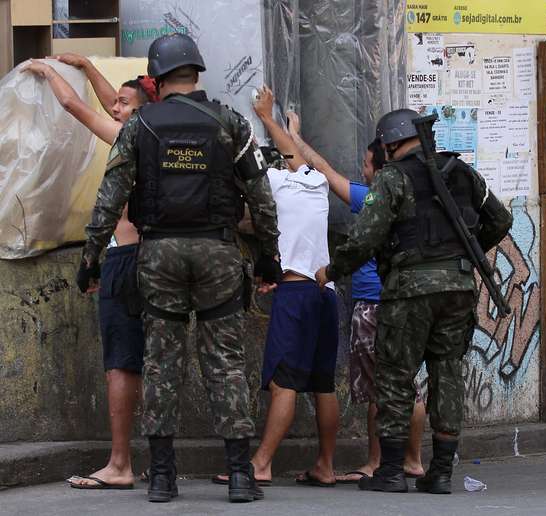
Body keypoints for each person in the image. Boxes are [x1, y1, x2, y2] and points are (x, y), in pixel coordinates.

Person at [76, 33, 281, 503]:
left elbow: (110, 198)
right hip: (218, 253)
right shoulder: (229, 122)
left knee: (162, 361)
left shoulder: (140, 126)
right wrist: (270, 256)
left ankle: (163, 477)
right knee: (225, 363)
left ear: (157, 76)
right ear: (196, 73)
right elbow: (262, 199)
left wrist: (91, 261)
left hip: (159, 255)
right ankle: (240, 475)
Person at [315, 108, 513, 494]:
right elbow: (500, 220)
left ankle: (390, 471)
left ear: (389, 144)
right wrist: (464, 253)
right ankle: (439, 473)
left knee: (395, 375)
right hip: (458, 287)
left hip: (410, 290)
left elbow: (363, 239)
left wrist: (331, 271)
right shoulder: (461, 172)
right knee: (447, 373)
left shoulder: (393, 178)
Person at [23, 54, 154, 490]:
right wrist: (86, 65)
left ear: (138, 113)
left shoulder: (128, 138)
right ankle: (159, 461)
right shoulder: (157, 137)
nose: (114, 109)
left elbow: (77, 109)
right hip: (156, 261)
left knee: (121, 364)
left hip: (125, 261)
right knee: (151, 361)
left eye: (123, 105)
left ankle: (120, 464)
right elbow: (107, 104)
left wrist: (46, 72)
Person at [285, 111, 426, 483]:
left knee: (378, 391)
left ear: (380, 167)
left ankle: (376, 461)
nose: (362, 171)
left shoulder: (372, 197)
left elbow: (324, 171)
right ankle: (413, 459)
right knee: (408, 385)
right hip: (405, 302)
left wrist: (294, 136)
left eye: (366, 165)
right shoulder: (413, 196)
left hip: (372, 307)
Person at [212, 85, 340, 488]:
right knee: (323, 384)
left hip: (296, 293)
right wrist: (290, 127)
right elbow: (295, 155)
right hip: (325, 296)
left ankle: (262, 463)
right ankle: (326, 465)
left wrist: (265, 117)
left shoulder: (275, 187)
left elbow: (252, 213)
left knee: (283, 381)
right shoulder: (315, 186)